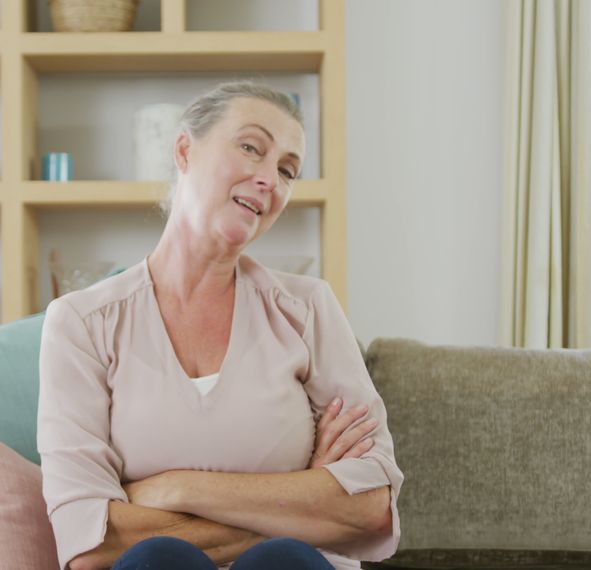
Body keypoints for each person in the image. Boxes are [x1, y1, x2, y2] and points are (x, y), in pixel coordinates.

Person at [38, 81, 403, 570]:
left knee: (284, 561)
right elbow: (89, 545)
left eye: (287, 170)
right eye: (252, 148)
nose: (270, 180)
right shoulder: (82, 322)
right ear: (185, 150)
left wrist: (173, 488)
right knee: (159, 559)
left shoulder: (308, 308)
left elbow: (370, 507)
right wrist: (300, 503)